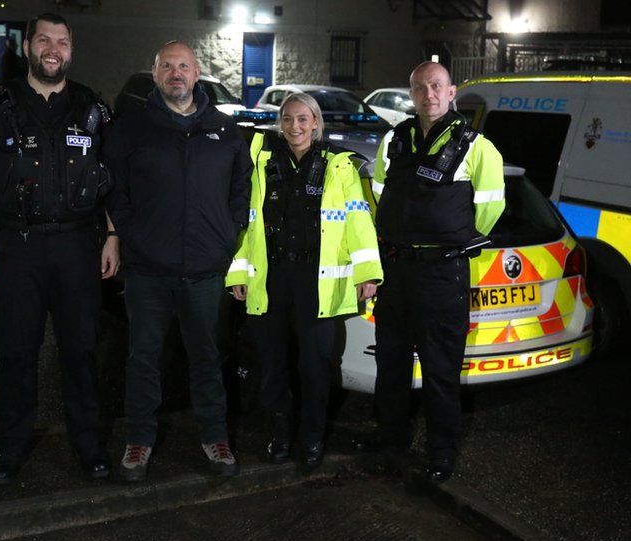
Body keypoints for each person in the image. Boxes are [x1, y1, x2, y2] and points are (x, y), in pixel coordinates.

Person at [0, 12, 118, 485]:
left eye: (62, 41)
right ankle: (10, 451)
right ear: (29, 46)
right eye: (44, 40)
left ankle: (89, 446)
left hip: (78, 245)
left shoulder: (92, 107)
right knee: (17, 354)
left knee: (80, 352)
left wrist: (112, 234)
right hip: (19, 245)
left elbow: (110, 179)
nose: (53, 49)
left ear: (70, 50)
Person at [104, 41, 252, 482]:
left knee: (207, 357)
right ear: (155, 74)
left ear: (197, 72)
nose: (176, 73)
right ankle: (139, 441)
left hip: (205, 269)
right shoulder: (132, 128)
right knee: (143, 358)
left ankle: (214, 436)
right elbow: (115, 189)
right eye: (167, 66)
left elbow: (240, 187)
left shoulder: (223, 130)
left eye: (183, 66)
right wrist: (130, 234)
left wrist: (227, 235)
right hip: (149, 270)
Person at [354, 61, 505, 482]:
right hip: (398, 270)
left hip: (443, 274)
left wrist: (447, 239)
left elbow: (489, 211)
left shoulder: (477, 146)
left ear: (452, 91)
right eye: (420, 87)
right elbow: (381, 196)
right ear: (411, 93)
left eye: (436, 86)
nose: (429, 94)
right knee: (392, 363)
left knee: (441, 371)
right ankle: (390, 437)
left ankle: (441, 453)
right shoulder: (394, 140)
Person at [226, 93, 382, 470]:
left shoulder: (339, 166)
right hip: (271, 279)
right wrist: (236, 271)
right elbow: (245, 221)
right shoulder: (261, 161)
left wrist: (367, 273)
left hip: (318, 284)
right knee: (272, 365)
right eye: (287, 119)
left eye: (302, 119)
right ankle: (280, 435)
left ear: (315, 123)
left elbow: (359, 222)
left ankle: (311, 439)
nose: (294, 126)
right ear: (281, 122)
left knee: (315, 368)